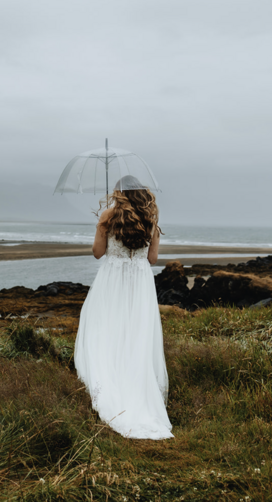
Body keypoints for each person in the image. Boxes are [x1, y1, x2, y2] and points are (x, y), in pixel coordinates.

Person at [74, 175, 173, 440]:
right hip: (139, 283)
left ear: (119, 192)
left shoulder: (108, 215)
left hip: (112, 280)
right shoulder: (151, 219)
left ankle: (110, 384)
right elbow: (152, 258)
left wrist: (102, 226)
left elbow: (97, 252)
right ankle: (136, 390)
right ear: (142, 193)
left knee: (106, 329)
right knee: (135, 335)